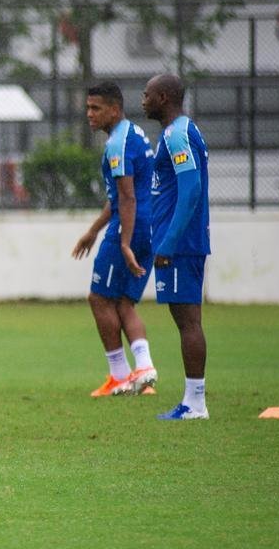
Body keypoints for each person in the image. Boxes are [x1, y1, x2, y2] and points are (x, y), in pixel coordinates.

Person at [72, 81, 159, 398]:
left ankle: (120, 375)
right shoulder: (134, 134)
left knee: (99, 298)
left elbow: (127, 198)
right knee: (123, 302)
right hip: (148, 227)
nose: (89, 114)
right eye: (87, 107)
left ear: (114, 108)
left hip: (130, 227)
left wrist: (123, 241)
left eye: (96, 108)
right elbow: (125, 195)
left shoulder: (117, 145)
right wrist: (94, 230)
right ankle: (143, 368)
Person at [142, 74, 211, 420]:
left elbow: (192, 188)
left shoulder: (179, 133)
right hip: (178, 242)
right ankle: (192, 400)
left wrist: (169, 241)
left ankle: (195, 403)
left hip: (181, 244)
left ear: (164, 97)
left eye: (148, 94)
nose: (143, 100)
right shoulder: (174, 133)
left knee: (188, 321)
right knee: (183, 319)